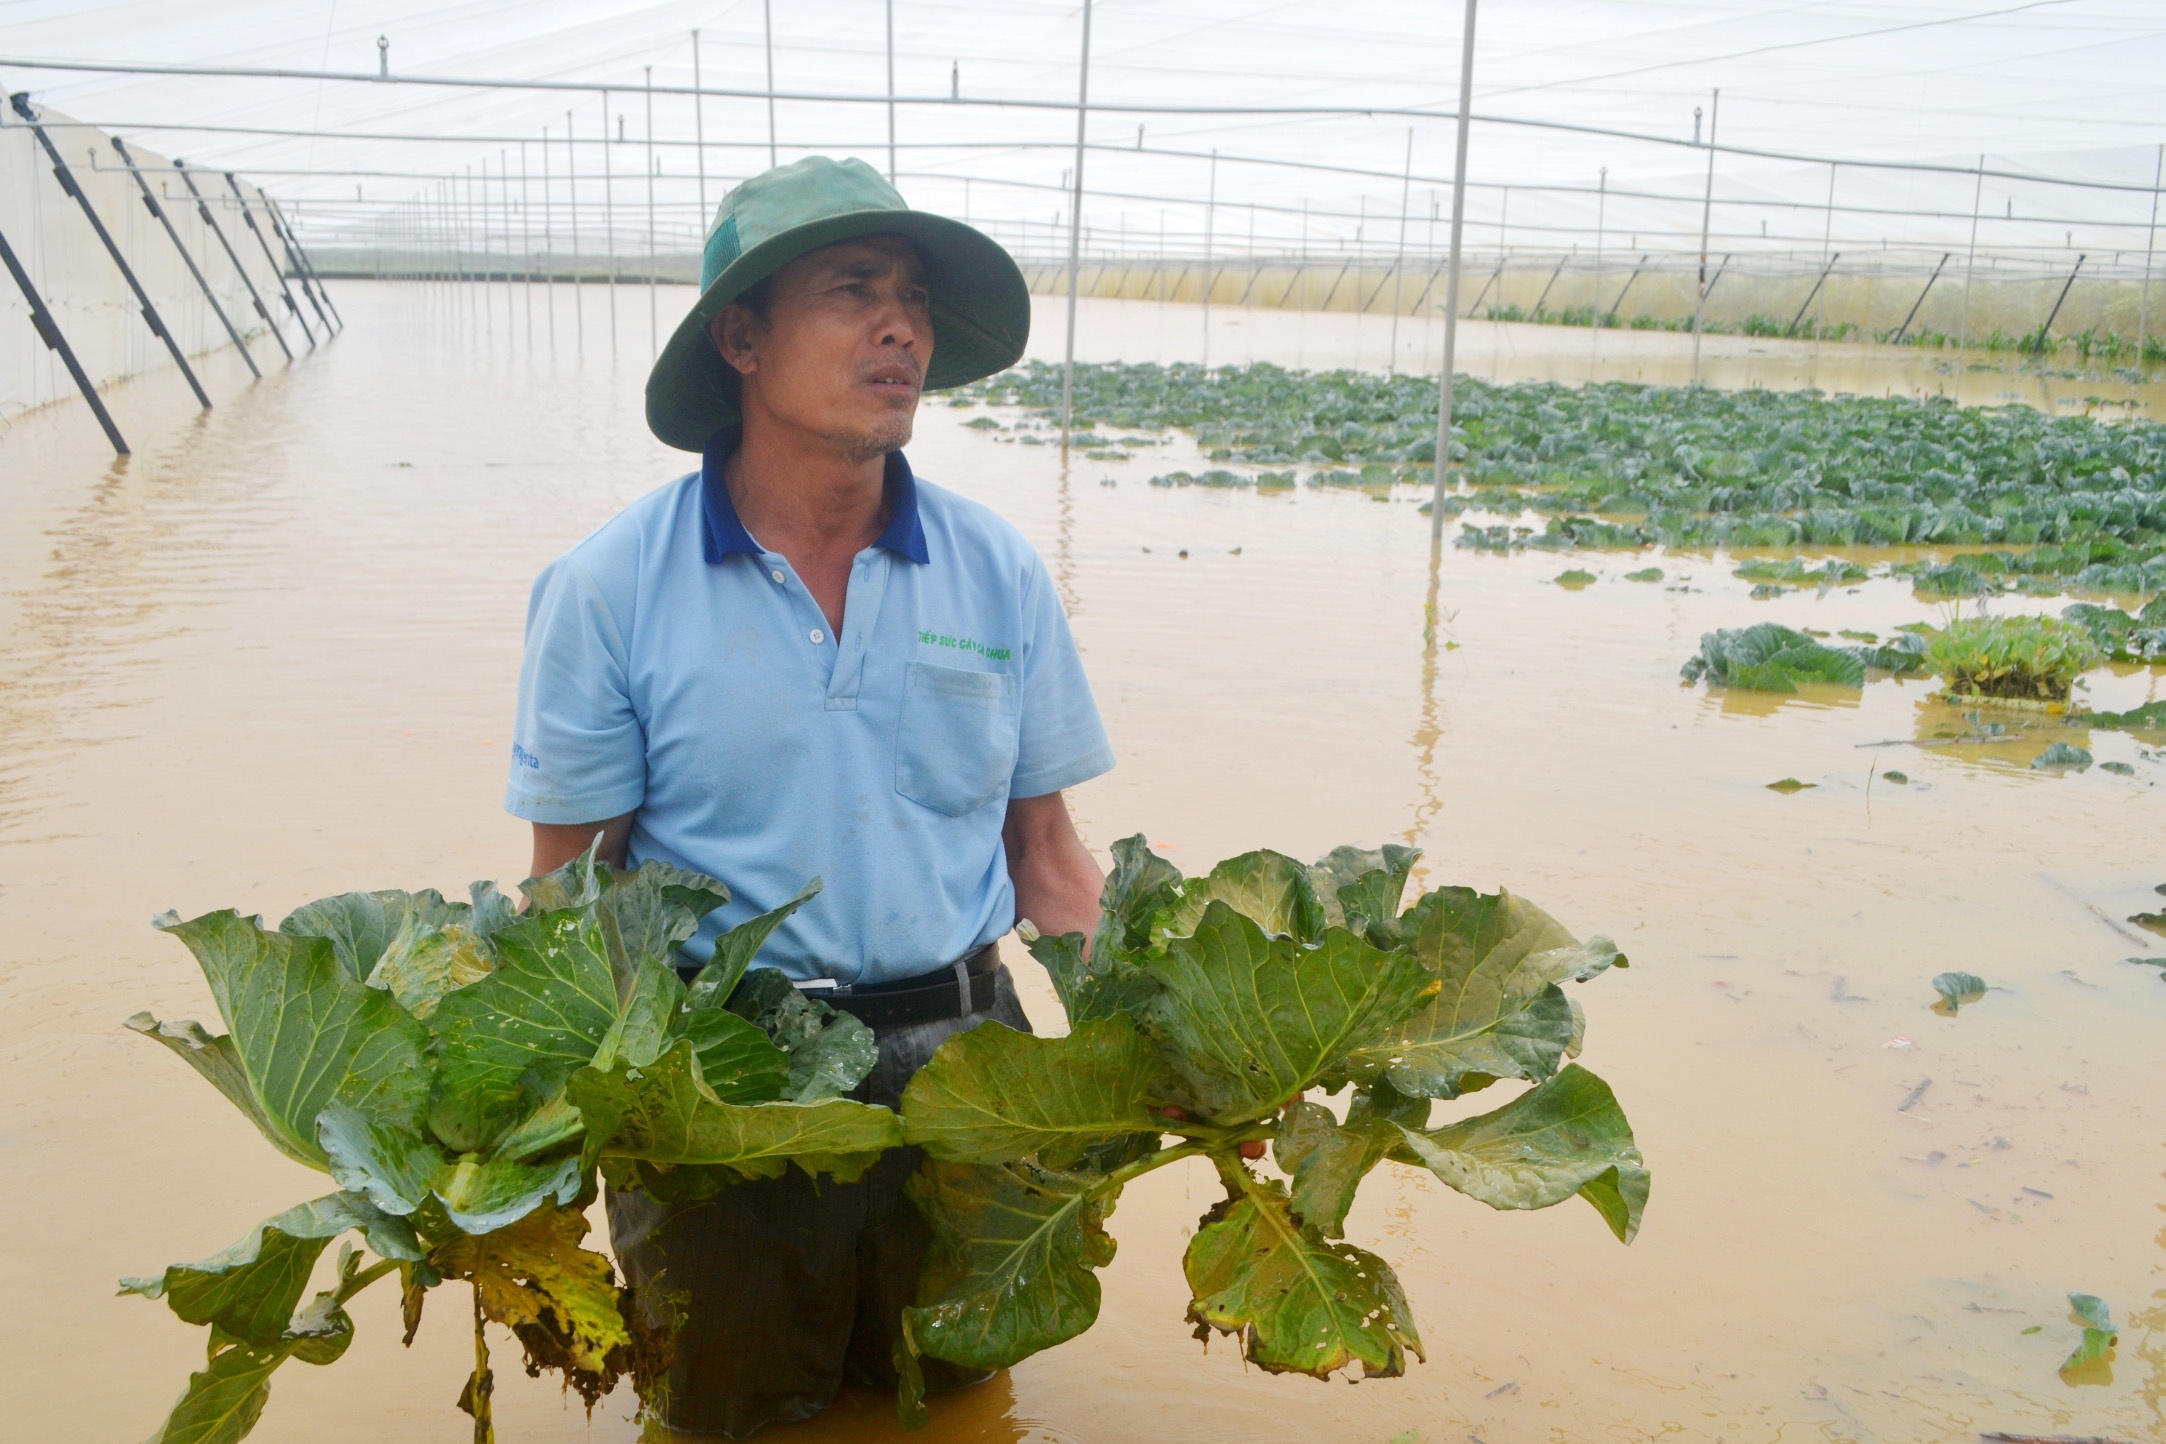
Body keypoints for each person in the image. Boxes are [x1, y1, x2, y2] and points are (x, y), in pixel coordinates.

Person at [503, 156, 1113, 1435]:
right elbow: (568, 902)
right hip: (726, 1098)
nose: (901, 327)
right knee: (729, 1417)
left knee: (958, 1399)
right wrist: (521, 1130)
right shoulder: (609, 587)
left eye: (914, 298)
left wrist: (1173, 1054)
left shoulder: (996, 571)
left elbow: (1050, 857)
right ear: (741, 339)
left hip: (968, 1073)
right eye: (853, 290)